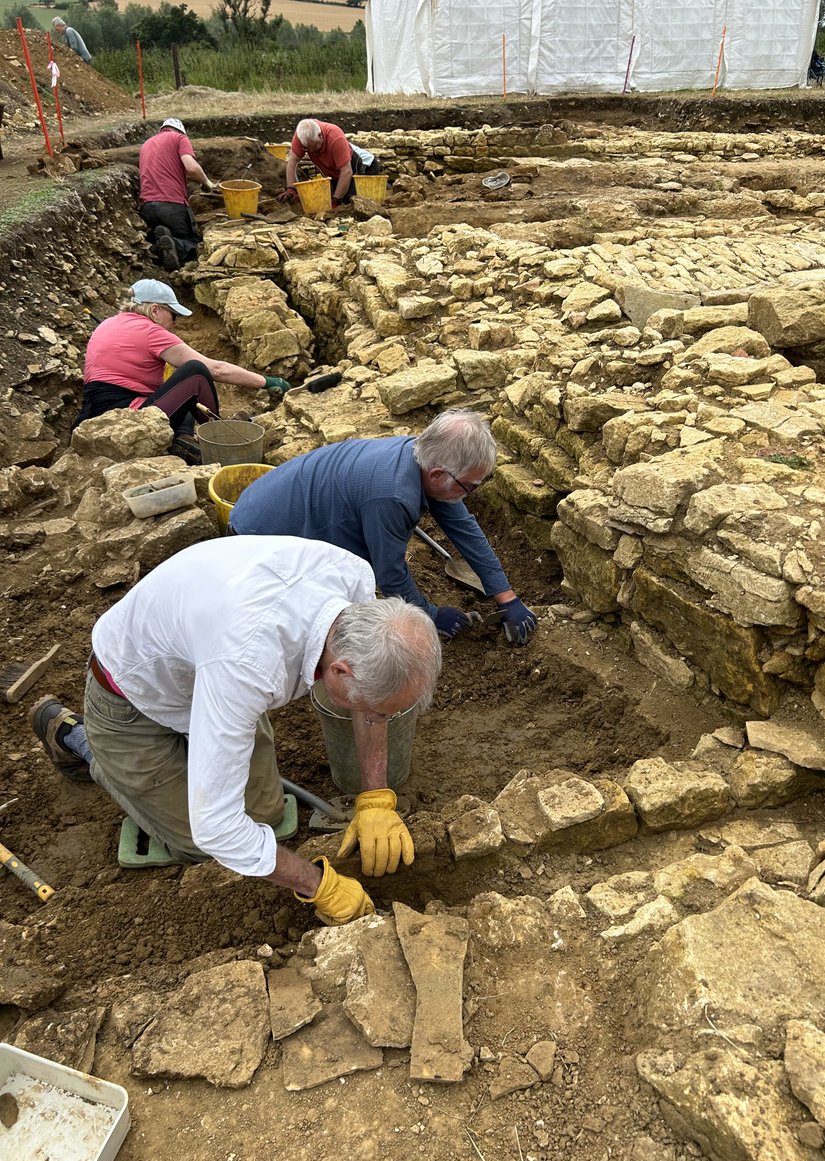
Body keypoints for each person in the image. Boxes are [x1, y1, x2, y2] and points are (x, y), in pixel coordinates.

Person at [29, 536, 442, 925]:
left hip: (207, 670)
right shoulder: (248, 665)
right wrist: (318, 885)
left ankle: (162, 763)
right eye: (372, 708)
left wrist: (374, 799)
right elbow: (217, 829)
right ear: (340, 671)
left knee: (265, 817)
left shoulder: (354, 587)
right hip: (132, 694)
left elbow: (370, 704)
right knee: (199, 843)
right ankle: (82, 741)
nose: (374, 717)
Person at [229, 409, 538, 645]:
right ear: (437, 475)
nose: (470, 494)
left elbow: (464, 528)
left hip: (270, 509)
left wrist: (506, 597)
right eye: (469, 487)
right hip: (258, 540)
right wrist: (431, 616)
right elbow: (390, 575)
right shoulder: (393, 496)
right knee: (334, 616)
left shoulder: (420, 456)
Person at [74, 279, 292, 464]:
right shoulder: (150, 331)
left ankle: (183, 440)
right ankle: (219, 435)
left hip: (94, 415)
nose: (174, 323)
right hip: (128, 417)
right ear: (155, 310)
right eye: (173, 315)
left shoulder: (107, 324)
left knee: (183, 398)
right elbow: (216, 370)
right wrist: (268, 381)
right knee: (195, 372)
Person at [138, 118, 216, 270]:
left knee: (157, 241)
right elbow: (191, 168)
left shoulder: (146, 144)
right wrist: (207, 182)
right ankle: (175, 244)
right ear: (181, 131)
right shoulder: (180, 138)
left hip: (147, 207)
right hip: (172, 205)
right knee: (194, 243)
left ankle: (159, 244)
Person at [280, 118, 384, 208]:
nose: (311, 151)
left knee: (350, 201)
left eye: (315, 146)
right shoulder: (302, 136)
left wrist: (336, 200)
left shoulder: (335, 137)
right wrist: (291, 189)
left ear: (320, 136)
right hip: (335, 172)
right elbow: (292, 162)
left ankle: (386, 187)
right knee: (329, 199)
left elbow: (347, 172)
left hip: (363, 164)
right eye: (307, 148)